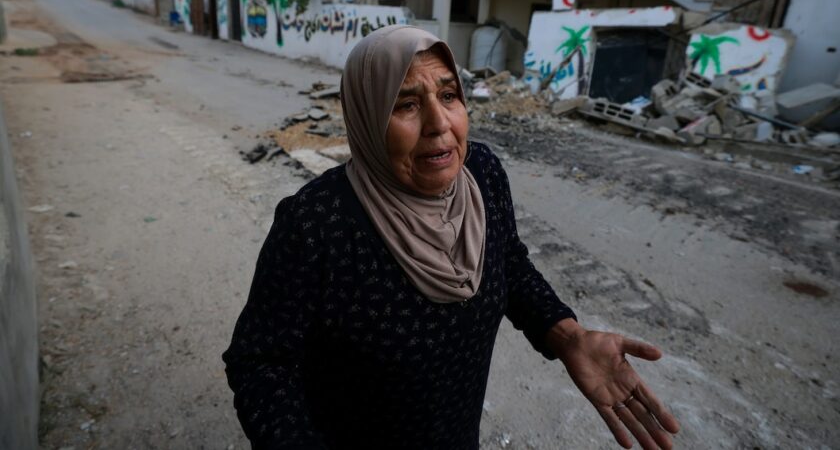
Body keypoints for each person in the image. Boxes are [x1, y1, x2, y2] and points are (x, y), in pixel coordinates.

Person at [222, 25, 680, 449]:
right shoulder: (315, 222)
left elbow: (508, 262)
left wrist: (567, 335)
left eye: (449, 95)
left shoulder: (482, 173)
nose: (440, 123)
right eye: (406, 104)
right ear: (366, 116)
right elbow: (260, 363)